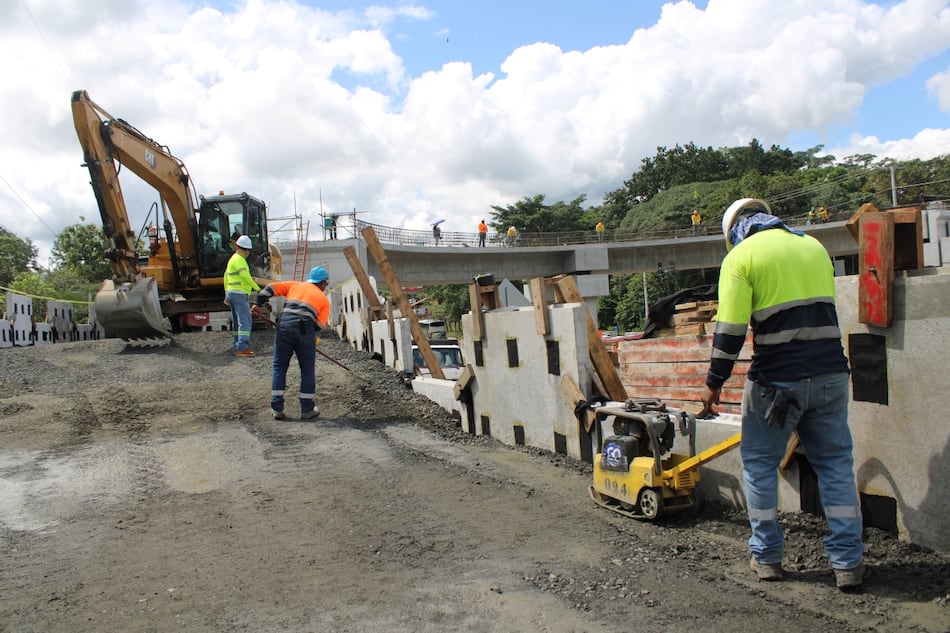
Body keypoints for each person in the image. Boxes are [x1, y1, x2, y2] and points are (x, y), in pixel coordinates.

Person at [700, 198, 864, 590]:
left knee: (758, 465)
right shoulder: (813, 247)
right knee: (836, 466)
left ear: (734, 232)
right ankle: (848, 564)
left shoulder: (740, 259)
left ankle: (768, 557)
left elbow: (731, 333)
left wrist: (713, 383)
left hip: (776, 385)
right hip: (830, 377)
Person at [251, 266, 331, 420]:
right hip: (305, 329)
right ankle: (307, 409)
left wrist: (257, 304)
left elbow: (270, 288)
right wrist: (306, 336)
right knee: (307, 369)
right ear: (322, 283)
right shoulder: (323, 300)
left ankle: (277, 408)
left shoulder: (295, 285)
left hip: (284, 326)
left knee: (279, 366)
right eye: (325, 285)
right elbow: (319, 325)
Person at [224, 235, 261, 357]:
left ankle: (237, 345)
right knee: (245, 321)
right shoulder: (240, 260)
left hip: (231, 293)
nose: (248, 253)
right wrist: (257, 288)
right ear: (240, 249)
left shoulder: (232, 259)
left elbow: (225, 277)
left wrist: (226, 294)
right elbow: (246, 277)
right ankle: (242, 348)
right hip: (239, 294)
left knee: (236, 322)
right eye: (247, 250)